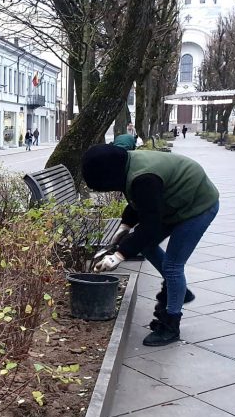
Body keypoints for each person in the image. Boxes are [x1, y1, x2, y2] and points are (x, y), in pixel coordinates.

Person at [83, 144, 220, 346]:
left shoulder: (144, 177)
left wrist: (119, 255)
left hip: (197, 206)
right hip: (172, 203)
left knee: (173, 266)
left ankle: (170, 326)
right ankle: (180, 292)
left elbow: (151, 225)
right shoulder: (128, 164)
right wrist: (125, 226)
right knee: (146, 246)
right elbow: (139, 202)